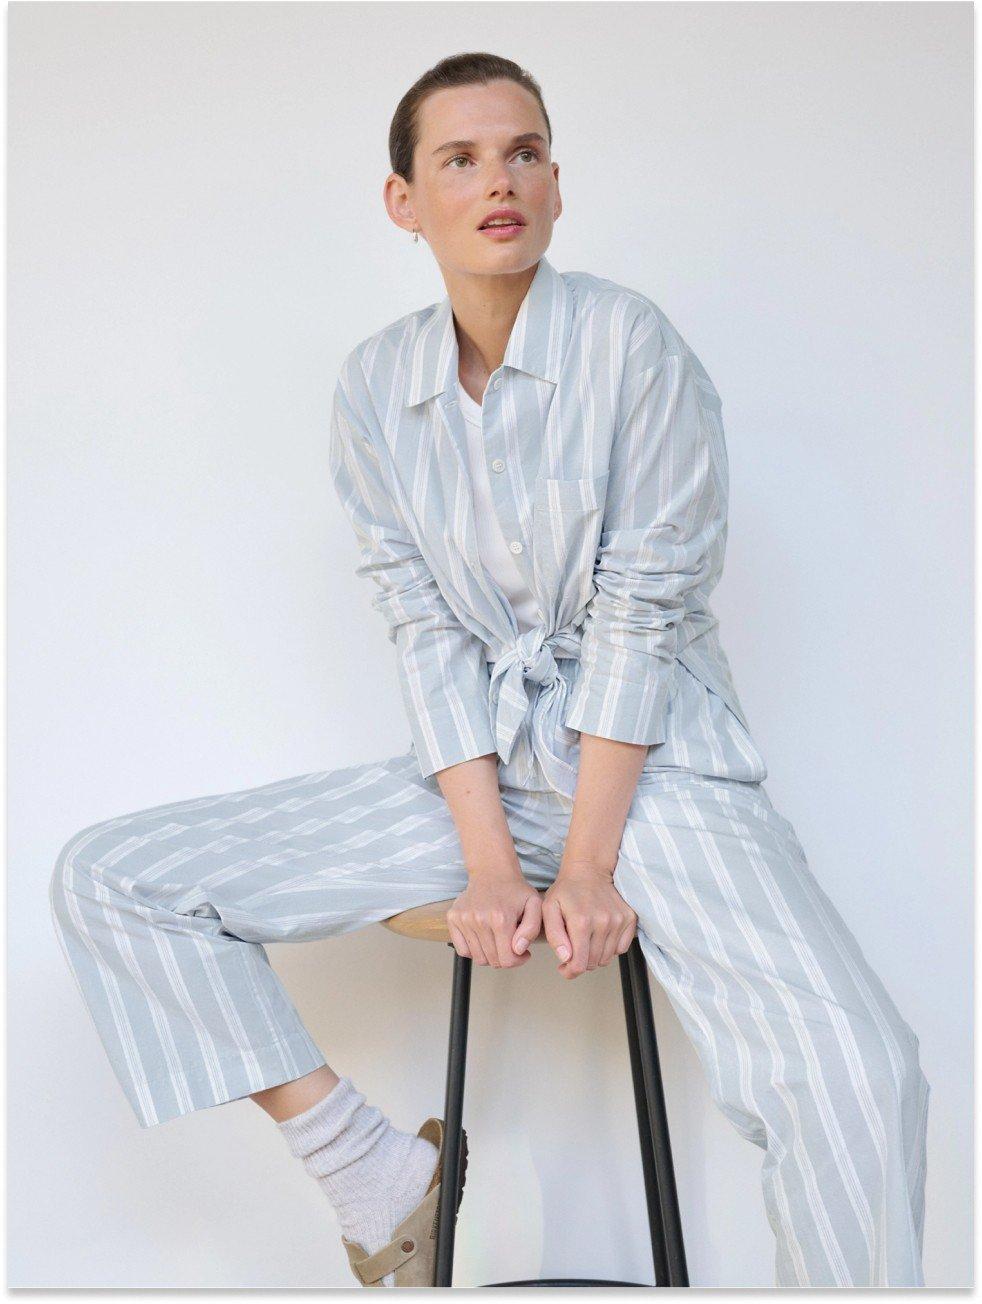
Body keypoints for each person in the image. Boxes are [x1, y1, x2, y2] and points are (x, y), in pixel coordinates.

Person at [49, 51, 930, 1289]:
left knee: (858, 1073)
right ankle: (373, 1169)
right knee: (118, 876)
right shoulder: (375, 387)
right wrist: (486, 860)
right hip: (478, 776)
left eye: (522, 152)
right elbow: (423, 626)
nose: (497, 179)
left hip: (656, 767)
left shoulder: (631, 344)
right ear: (403, 201)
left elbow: (643, 609)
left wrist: (583, 865)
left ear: (557, 186)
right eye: (458, 158)